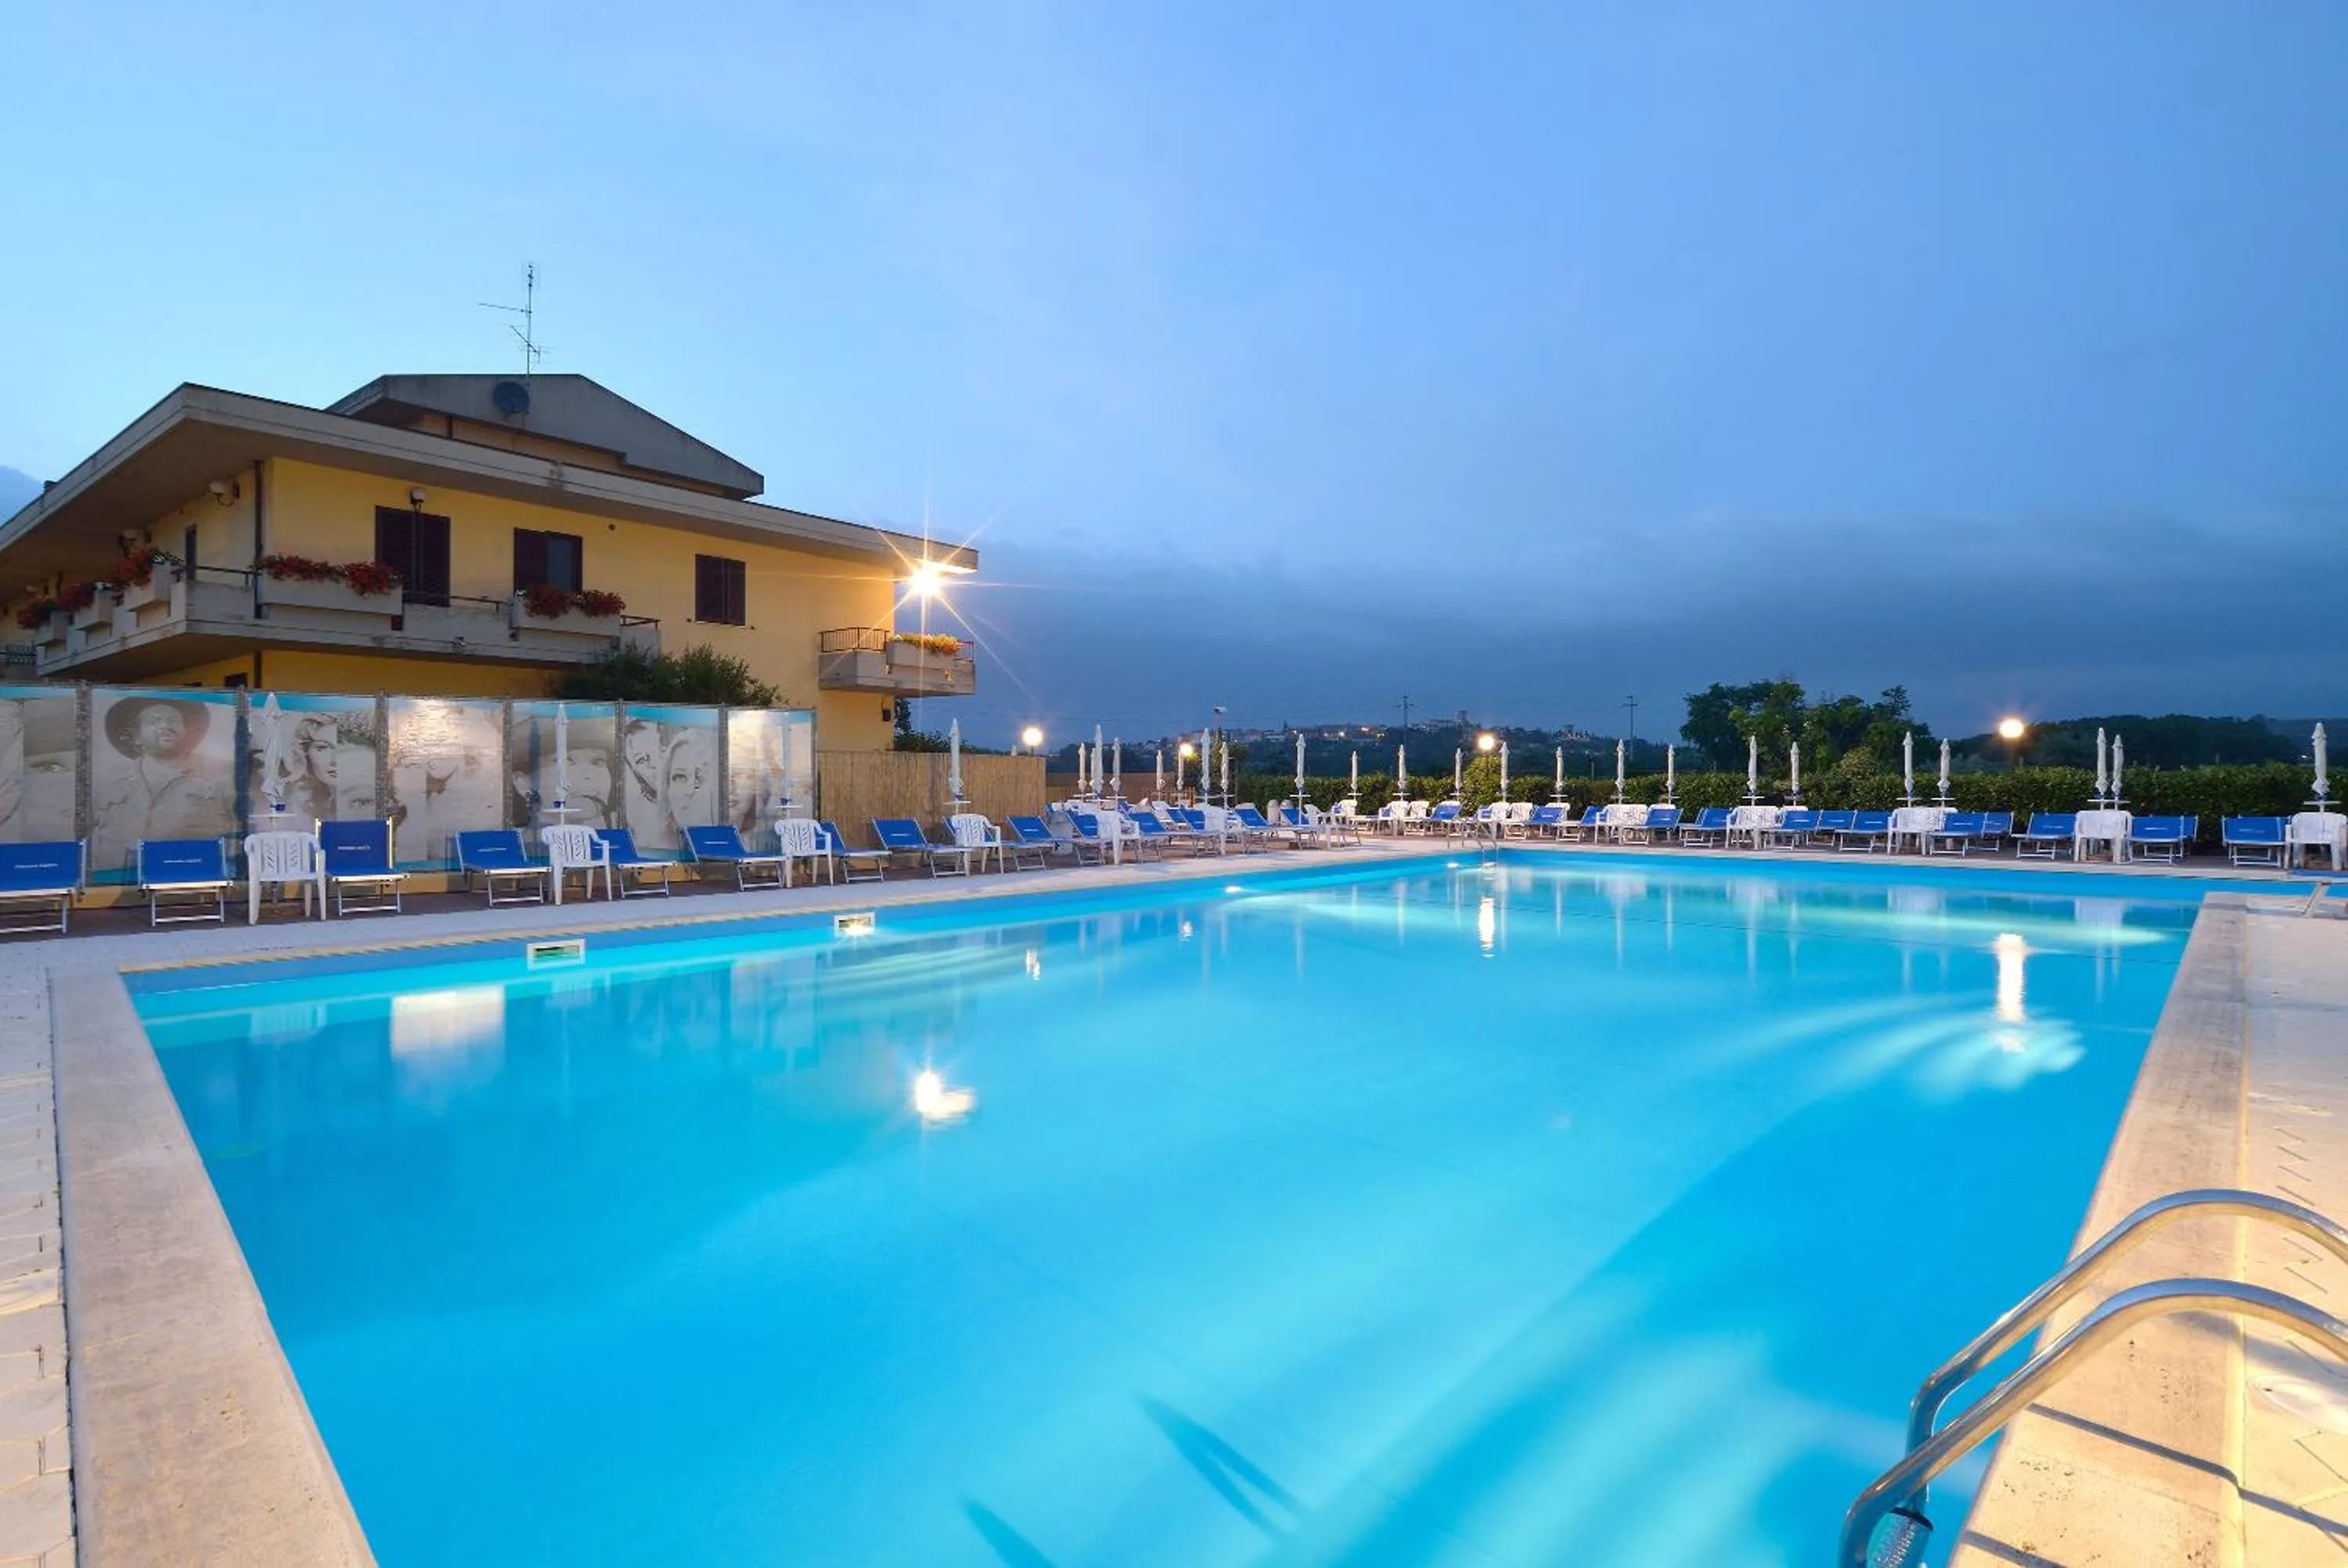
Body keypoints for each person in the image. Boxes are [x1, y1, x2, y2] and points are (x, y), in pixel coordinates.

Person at [92, 696, 236, 870]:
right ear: (136, 736)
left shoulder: (221, 776)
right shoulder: (107, 782)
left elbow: (237, 834)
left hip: (192, 881)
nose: (166, 726)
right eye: (154, 722)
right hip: (119, 885)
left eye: (173, 721)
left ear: (187, 731)